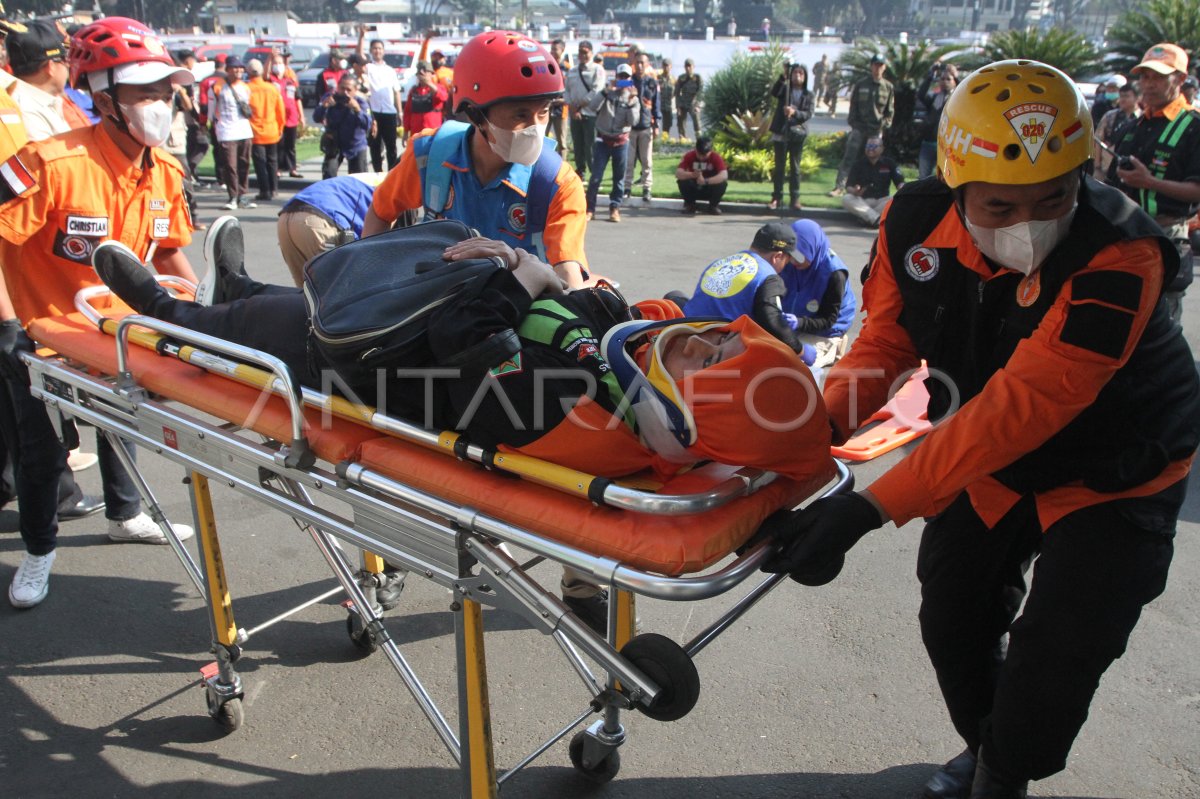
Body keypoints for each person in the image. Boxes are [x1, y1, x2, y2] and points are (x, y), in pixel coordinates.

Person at [765, 60, 1200, 799]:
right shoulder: (914, 221)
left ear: (1081, 174)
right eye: (999, 208)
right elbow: (884, 347)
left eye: (1053, 198)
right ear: (958, 184)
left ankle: (1004, 769)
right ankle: (989, 740)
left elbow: (1025, 405)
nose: (1028, 224)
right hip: (988, 459)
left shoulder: (1120, 253)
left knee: (1060, 650)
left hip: (1116, 468)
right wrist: (797, 443)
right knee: (953, 612)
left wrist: (869, 506)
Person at [93, 221, 832, 632]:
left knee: (256, 330)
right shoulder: (635, 351)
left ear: (683, 416)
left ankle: (162, 311)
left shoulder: (577, 417)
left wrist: (522, 273)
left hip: (382, 381)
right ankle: (238, 288)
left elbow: (472, 348)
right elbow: (600, 308)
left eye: (712, 360)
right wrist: (536, 277)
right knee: (274, 308)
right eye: (724, 338)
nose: (704, 340)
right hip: (421, 335)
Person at [0, 16, 200, 609]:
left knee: (122, 426)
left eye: (167, 93)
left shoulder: (162, 170)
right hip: (39, 333)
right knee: (41, 455)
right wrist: (9, 322)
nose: (161, 106)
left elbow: (167, 250)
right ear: (104, 97)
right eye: (146, 94)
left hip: (115, 331)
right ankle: (39, 551)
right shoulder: (48, 163)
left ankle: (125, 514)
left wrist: (206, 314)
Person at [362, 31, 590, 290]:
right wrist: (372, 283)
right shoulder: (429, 156)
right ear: (474, 114)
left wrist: (515, 261)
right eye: (520, 115)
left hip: (518, 315)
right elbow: (379, 214)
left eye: (544, 112)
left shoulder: (558, 184)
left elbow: (571, 288)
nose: (535, 128)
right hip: (438, 306)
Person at [1108, 43, 1200, 323]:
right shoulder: (1132, 126)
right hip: (1123, 237)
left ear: (1180, 79)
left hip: (1167, 235)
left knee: (1160, 328)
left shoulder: (1194, 127)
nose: (1149, 84)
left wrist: (1148, 181)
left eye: (1159, 77)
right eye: (1145, 77)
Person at [679, 221, 819, 365]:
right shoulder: (768, 277)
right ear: (777, 257)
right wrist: (800, 350)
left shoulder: (721, 263)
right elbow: (773, 322)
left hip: (685, 333)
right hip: (717, 348)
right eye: (787, 260)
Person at [276, 173, 386, 284]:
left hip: (286, 217)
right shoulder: (393, 186)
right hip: (320, 219)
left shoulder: (368, 178)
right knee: (338, 292)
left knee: (305, 294)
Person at [6, 20, 90, 141]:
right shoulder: (27, 110)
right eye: (64, 59)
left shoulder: (40, 101)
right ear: (50, 66)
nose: (68, 65)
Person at [831, 53, 893, 197]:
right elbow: (853, 108)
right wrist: (854, 124)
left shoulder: (888, 87)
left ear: (884, 67)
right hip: (859, 128)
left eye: (880, 65)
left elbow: (889, 112)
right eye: (875, 65)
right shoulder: (861, 84)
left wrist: (883, 126)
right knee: (849, 157)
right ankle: (839, 187)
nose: (877, 68)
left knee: (875, 160)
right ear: (871, 66)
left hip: (876, 130)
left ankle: (872, 189)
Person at [585, 64, 639, 223]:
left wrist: (630, 102)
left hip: (621, 141)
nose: (623, 80)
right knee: (596, 177)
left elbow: (633, 121)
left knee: (618, 177)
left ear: (630, 79)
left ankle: (615, 208)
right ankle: (590, 209)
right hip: (603, 139)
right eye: (620, 76)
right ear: (616, 77)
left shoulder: (633, 98)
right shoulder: (607, 93)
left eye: (626, 77)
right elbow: (592, 106)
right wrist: (605, 91)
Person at [208, 54, 254, 210]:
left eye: (241, 67)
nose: (239, 70)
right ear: (227, 69)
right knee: (230, 165)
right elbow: (211, 112)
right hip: (227, 131)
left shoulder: (245, 87)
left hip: (244, 130)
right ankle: (233, 197)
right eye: (235, 67)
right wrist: (216, 129)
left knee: (244, 164)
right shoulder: (217, 86)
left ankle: (243, 195)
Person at [768, 62, 814, 211]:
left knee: (795, 168)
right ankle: (776, 197)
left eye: (801, 73)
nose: (797, 76)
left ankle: (795, 198)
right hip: (782, 132)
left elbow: (808, 113)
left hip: (797, 133)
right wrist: (784, 75)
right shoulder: (785, 89)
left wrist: (794, 113)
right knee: (779, 167)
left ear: (805, 76)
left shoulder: (809, 94)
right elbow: (774, 92)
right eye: (795, 73)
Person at [357, 27, 401, 172]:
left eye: (380, 48)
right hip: (375, 112)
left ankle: (393, 174)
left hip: (389, 111)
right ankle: (377, 174)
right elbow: (359, 56)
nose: (377, 51)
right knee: (375, 146)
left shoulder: (390, 70)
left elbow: (396, 92)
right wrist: (361, 36)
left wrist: (399, 112)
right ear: (371, 50)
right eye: (375, 48)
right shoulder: (369, 68)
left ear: (383, 51)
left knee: (391, 146)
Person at [314, 73, 371, 179]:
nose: (344, 92)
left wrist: (357, 109)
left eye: (348, 90)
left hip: (355, 145)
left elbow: (367, 125)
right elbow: (316, 118)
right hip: (335, 144)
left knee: (359, 179)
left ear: (355, 90)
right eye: (342, 88)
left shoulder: (360, 102)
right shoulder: (329, 98)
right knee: (329, 175)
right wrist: (324, 106)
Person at [564, 40, 604, 181]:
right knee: (578, 144)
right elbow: (566, 91)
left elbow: (596, 91)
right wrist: (572, 106)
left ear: (591, 53)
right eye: (580, 52)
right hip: (574, 114)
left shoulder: (597, 70)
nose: (582, 55)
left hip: (590, 114)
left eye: (585, 52)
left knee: (590, 146)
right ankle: (580, 170)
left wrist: (579, 106)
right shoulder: (572, 71)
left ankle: (594, 173)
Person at [841, 136, 904, 226]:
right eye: (868, 146)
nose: (870, 149)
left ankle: (867, 218)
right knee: (846, 198)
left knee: (897, 200)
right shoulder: (858, 164)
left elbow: (900, 182)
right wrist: (855, 191)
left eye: (874, 146)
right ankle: (876, 219)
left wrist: (902, 189)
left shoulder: (889, 163)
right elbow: (849, 186)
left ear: (882, 149)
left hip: (882, 201)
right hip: (863, 201)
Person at [245, 58, 284, 202]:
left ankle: (265, 190)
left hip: (255, 131)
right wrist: (280, 127)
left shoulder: (247, 88)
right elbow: (280, 111)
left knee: (260, 163)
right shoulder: (272, 88)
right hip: (272, 130)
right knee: (272, 161)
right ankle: (274, 189)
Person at [623, 53, 659, 204]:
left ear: (647, 64)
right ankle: (627, 188)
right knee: (629, 160)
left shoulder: (652, 82)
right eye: (637, 63)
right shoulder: (627, 82)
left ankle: (647, 188)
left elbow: (657, 104)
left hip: (645, 126)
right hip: (630, 126)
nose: (639, 66)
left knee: (646, 160)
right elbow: (617, 96)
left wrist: (657, 123)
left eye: (642, 63)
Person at [916, 62, 958, 179]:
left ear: (954, 81)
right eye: (942, 79)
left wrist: (955, 75)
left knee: (946, 178)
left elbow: (964, 89)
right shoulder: (934, 98)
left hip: (947, 146)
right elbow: (921, 95)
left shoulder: (957, 99)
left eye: (948, 79)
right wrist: (931, 75)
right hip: (929, 143)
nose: (944, 81)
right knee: (923, 177)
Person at [1094, 81, 1138, 179]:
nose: (1122, 100)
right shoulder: (1110, 116)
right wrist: (1097, 167)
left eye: (1126, 96)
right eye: (1121, 96)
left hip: (1130, 173)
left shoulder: (1142, 119)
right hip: (1106, 168)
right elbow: (1098, 141)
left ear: (1137, 98)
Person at [196, 52, 228, 189]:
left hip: (215, 122)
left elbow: (203, 106)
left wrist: (203, 123)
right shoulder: (230, 80)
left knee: (218, 150)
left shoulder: (205, 81)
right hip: (231, 121)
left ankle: (221, 178)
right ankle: (231, 179)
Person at [269, 50, 302, 178]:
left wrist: (301, 115)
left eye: (280, 63)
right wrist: (270, 57)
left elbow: (297, 98)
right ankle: (277, 169)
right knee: (278, 145)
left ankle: (292, 168)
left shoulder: (291, 80)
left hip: (291, 117)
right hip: (277, 118)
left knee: (290, 145)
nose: (278, 65)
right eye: (275, 63)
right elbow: (265, 74)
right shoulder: (270, 80)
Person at [675, 135, 728, 215]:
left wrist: (706, 181)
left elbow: (724, 175)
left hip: (709, 187)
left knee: (722, 184)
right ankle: (690, 205)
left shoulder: (716, 157)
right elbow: (678, 173)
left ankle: (713, 206)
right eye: (699, 154)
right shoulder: (689, 156)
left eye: (704, 155)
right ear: (696, 149)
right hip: (694, 187)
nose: (701, 158)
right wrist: (692, 175)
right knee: (683, 182)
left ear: (710, 151)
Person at [401, 60, 448, 144]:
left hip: (433, 133)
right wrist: (405, 132)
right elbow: (407, 112)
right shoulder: (413, 91)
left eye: (426, 72)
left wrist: (428, 83)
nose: (423, 74)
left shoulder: (438, 87)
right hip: (416, 134)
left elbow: (443, 97)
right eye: (421, 72)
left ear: (432, 74)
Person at [547, 39, 569, 157]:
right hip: (547, 106)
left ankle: (563, 167)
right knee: (543, 138)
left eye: (555, 49)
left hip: (561, 108)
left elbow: (570, 88)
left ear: (562, 50)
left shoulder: (568, 68)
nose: (552, 52)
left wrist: (564, 100)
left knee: (562, 141)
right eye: (551, 49)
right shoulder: (547, 65)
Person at [675, 59, 702, 141]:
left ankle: (699, 138)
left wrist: (698, 105)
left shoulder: (697, 78)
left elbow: (701, 91)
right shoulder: (681, 78)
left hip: (693, 103)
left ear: (693, 67)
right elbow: (677, 92)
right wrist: (678, 106)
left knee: (696, 119)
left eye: (689, 66)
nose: (688, 68)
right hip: (683, 102)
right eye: (686, 66)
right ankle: (682, 137)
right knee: (680, 120)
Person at [658, 58, 673, 139]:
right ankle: (655, 138)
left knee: (668, 122)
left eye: (667, 65)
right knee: (657, 122)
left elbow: (677, 91)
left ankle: (665, 138)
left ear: (671, 67)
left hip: (668, 104)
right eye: (664, 65)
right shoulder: (658, 78)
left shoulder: (673, 79)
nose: (666, 67)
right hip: (659, 103)